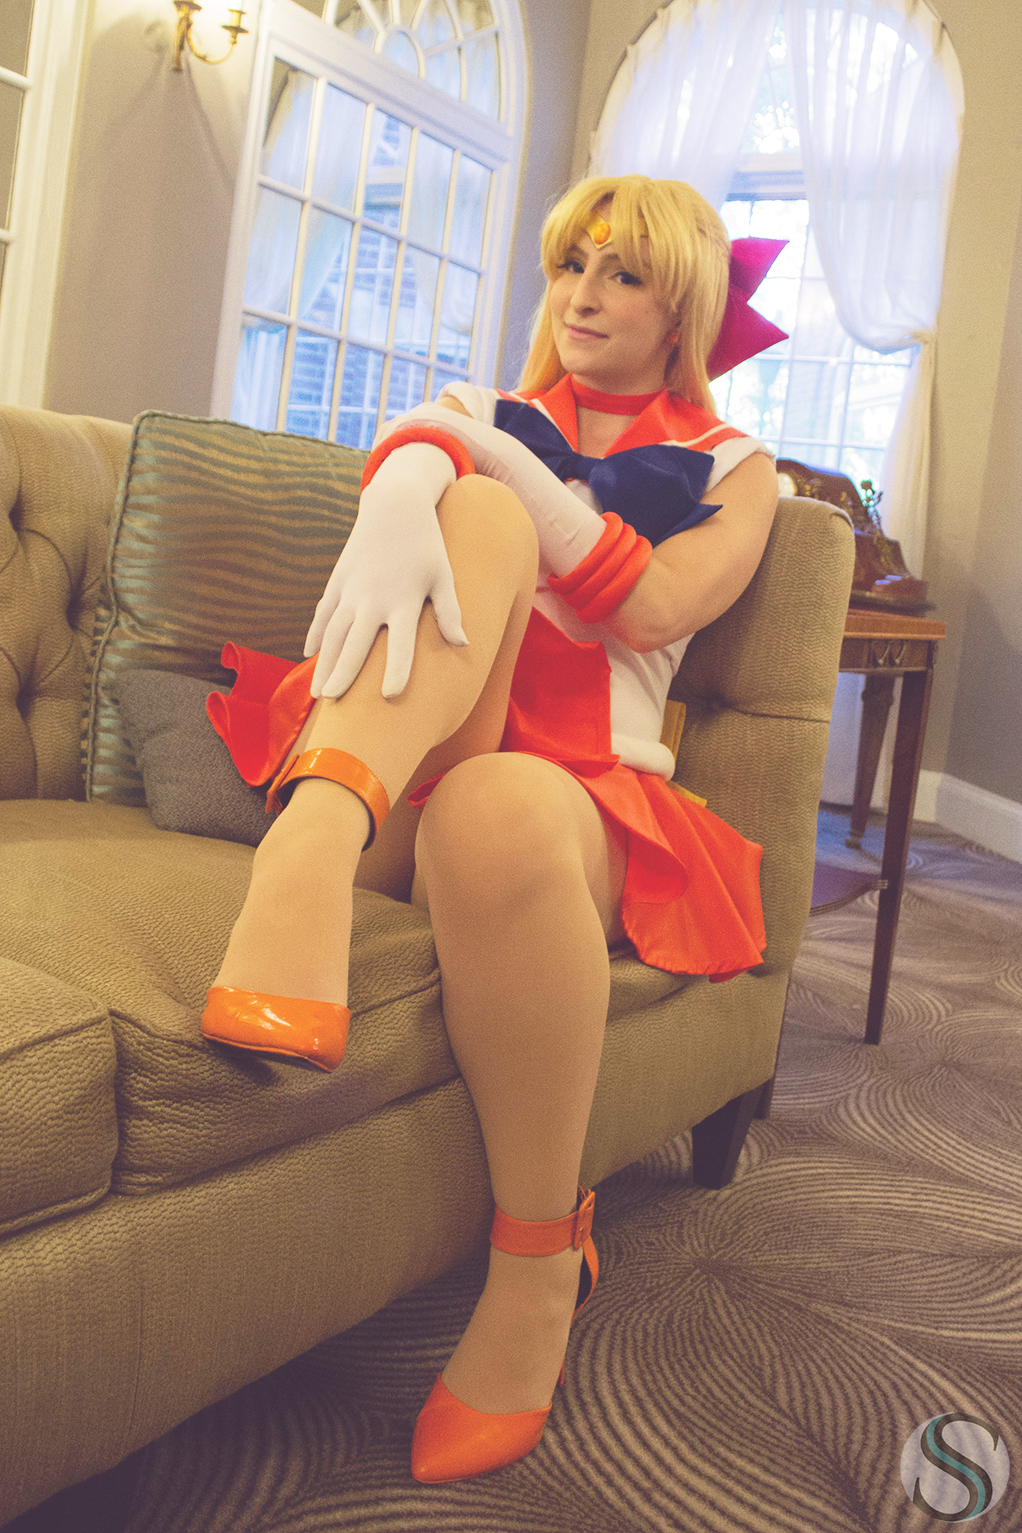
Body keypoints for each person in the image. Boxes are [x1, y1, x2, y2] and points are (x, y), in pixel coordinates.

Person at [200, 174, 781, 1484]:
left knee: (499, 796)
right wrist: (410, 484)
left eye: (624, 274)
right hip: (402, 774)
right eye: (572, 264)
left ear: (682, 307)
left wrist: (480, 460)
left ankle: (537, 1262)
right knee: (468, 518)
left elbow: (652, 607)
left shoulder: (733, 468)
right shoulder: (473, 410)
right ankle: (309, 839)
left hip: (572, 798)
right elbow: (432, 461)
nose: (584, 293)